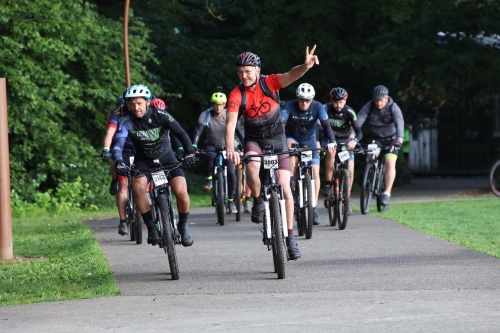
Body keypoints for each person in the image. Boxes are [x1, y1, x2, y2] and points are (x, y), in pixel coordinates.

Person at [225, 46, 320, 260]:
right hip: (254, 140)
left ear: (258, 70)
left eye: (248, 71)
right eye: (240, 71)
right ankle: (258, 199)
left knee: (285, 188)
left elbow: (290, 75)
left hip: (277, 139)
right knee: (252, 166)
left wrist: (305, 67)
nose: (244, 75)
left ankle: (289, 238)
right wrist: (230, 150)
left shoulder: (269, 82)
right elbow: (230, 124)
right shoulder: (236, 93)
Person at [111, 84, 196, 247]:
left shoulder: (161, 115)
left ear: (148, 102)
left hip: (167, 158)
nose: (136, 107)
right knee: (137, 187)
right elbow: (118, 145)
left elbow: (181, 133)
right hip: (144, 161)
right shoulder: (126, 121)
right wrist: (119, 161)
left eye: (139, 103)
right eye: (132, 104)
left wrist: (190, 152)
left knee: (181, 191)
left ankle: (183, 226)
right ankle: (151, 228)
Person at [281, 83, 337, 225]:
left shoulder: (317, 107)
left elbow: (326, 125)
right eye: (301, 99)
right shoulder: (289, 106)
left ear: (312, 99)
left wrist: (333, 142)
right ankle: (292, 182)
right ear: (297, 98)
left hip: (309, 140)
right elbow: (281, 124)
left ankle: (313, 207)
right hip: (292, 137)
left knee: (315, 173)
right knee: (291, 150)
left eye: (307, 100)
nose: (304, 103)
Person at [191, 90, 245, 215]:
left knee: (231, 172)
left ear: (224, 104)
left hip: (228, 147)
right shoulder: (206, 115)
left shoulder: (229, 114)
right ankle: (209, 179)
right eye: (215, 104)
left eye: (220, 104)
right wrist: (194, 145)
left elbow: (239, 130)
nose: (218, 106)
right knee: (208, 156)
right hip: (211, 145)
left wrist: (244, 145)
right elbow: (198, 131)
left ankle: (230, 201)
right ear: (212, 104)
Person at [357, 85, 404, 206]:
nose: (378, 103)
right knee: (371, 153)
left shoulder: (393, 107)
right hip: (376, 138)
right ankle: (369, 175)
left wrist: (399, 140)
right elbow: (358, 122)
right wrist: (353, 136)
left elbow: (400, 125)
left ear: (386, 98)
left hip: (392, 139)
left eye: (381, 100)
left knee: (390, 162)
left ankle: (386, 193)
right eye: (376, 100)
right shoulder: (369, 106)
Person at [322, 87, 363, 215]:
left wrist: (354, 141)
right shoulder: (325, 109)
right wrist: (325, 142)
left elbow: (359, 132)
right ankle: (328, 184)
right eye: (335, 102)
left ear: (345, 100)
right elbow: (318, 128)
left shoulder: (350, 111)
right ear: (331, 100)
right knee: (331, 152)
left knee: (350, 167)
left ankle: (347, 199)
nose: (338, 105)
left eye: (341, 102)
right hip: (329, 139)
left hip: (345, 140)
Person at [101, 90, 134, 235]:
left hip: (139, 149)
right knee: (123, 184)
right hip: (121, 148)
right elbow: (109, 133)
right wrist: (106, 149)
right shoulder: (117, 113)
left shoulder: (140, 111)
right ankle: (122, 221)